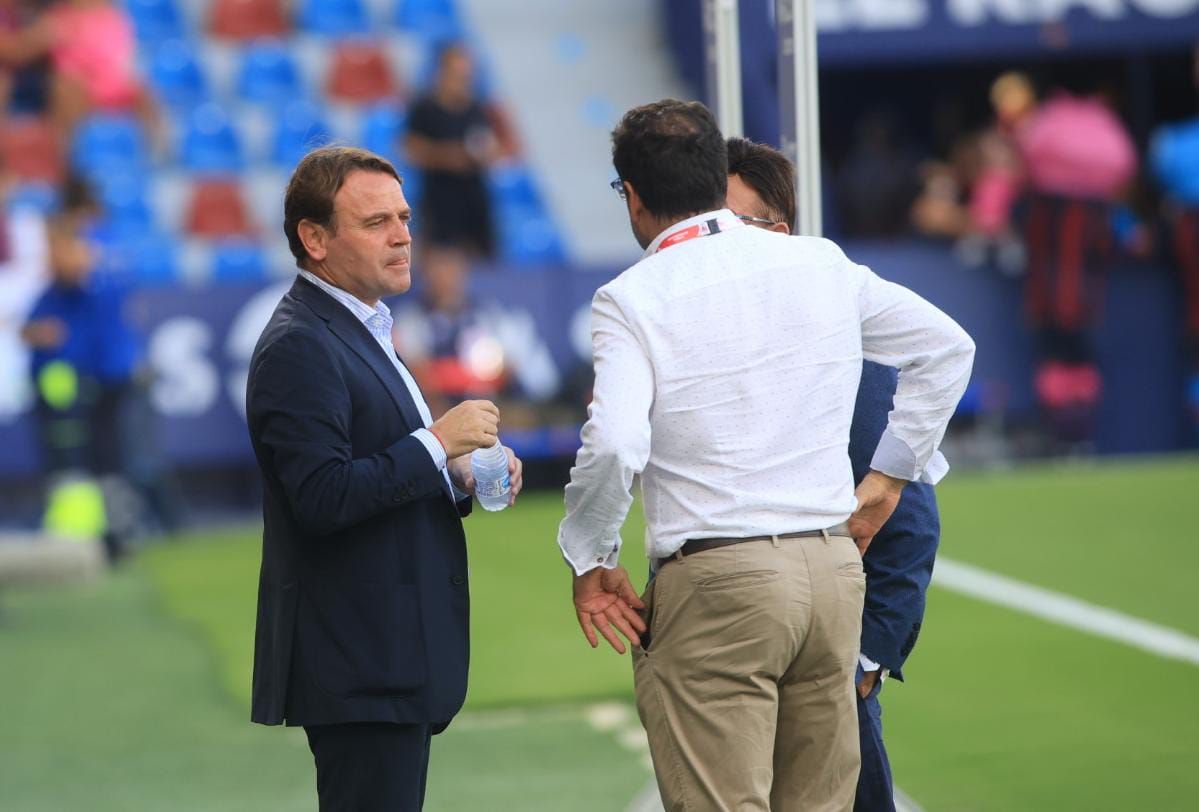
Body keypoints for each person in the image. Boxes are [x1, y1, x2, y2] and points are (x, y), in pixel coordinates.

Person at [557, 99, 974, 811]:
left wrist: (591, 555)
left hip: (720, 578)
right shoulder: (815, 260)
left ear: (632, 196)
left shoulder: (631, 297)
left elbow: (618, 438)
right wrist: (888, 476)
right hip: (830, 571)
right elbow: (946, 348)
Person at [246, 146, 523, 811]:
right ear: (313, 238)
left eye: (403, 217)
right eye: (375, 222)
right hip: (357, 659)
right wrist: (435, 441)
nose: (402, 235)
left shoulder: (358, 324)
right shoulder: (300, 343)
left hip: (385, 656)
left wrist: (453, 473)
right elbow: (321, 497)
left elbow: (375, 464)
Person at [725, 136, 942, 812]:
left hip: (828, 669)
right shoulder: (704, 335)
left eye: (728, 225)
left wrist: (864, 666)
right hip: (740, 660)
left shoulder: (843, 345)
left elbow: (906, 523)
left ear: (778, 232)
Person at [404, 42, 498, 259]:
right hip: (440, 195)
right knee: (441, 254)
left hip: (474, 194)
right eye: (457, 73)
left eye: (467, 74)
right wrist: (449, 156)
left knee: (480, 252)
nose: (463, 80)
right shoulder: (424, 107)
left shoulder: (477, 108)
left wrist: (487, 153)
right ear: (442, 72)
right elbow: (411, 148)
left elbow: (494, 145)